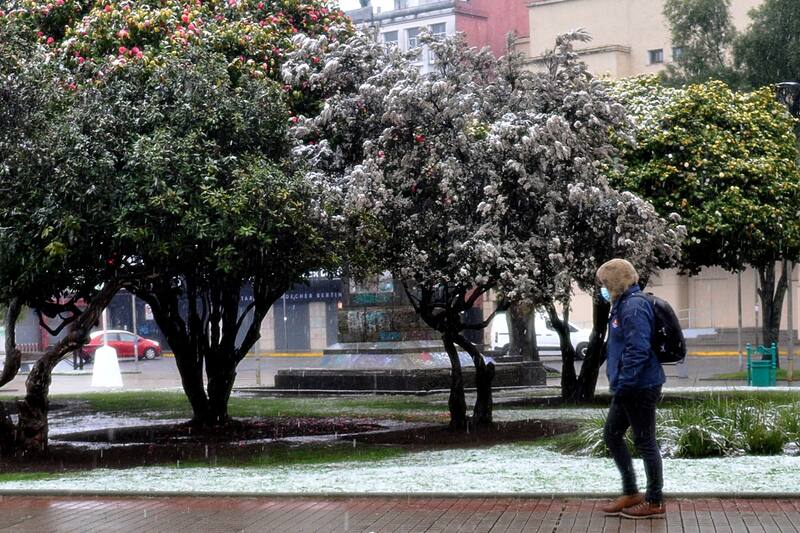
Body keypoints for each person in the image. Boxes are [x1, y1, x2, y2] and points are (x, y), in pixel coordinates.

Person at [596, 258, 666, 520]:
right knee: (612, 434)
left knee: (646, 442)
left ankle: (654, 500)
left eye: (604, 283)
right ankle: (631, 492)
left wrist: (625, 383)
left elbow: (638, 349)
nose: (602, 288)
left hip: (639, 385)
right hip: (629, 385)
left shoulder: (633, 306)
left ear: (615, 282)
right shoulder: (622, 305)